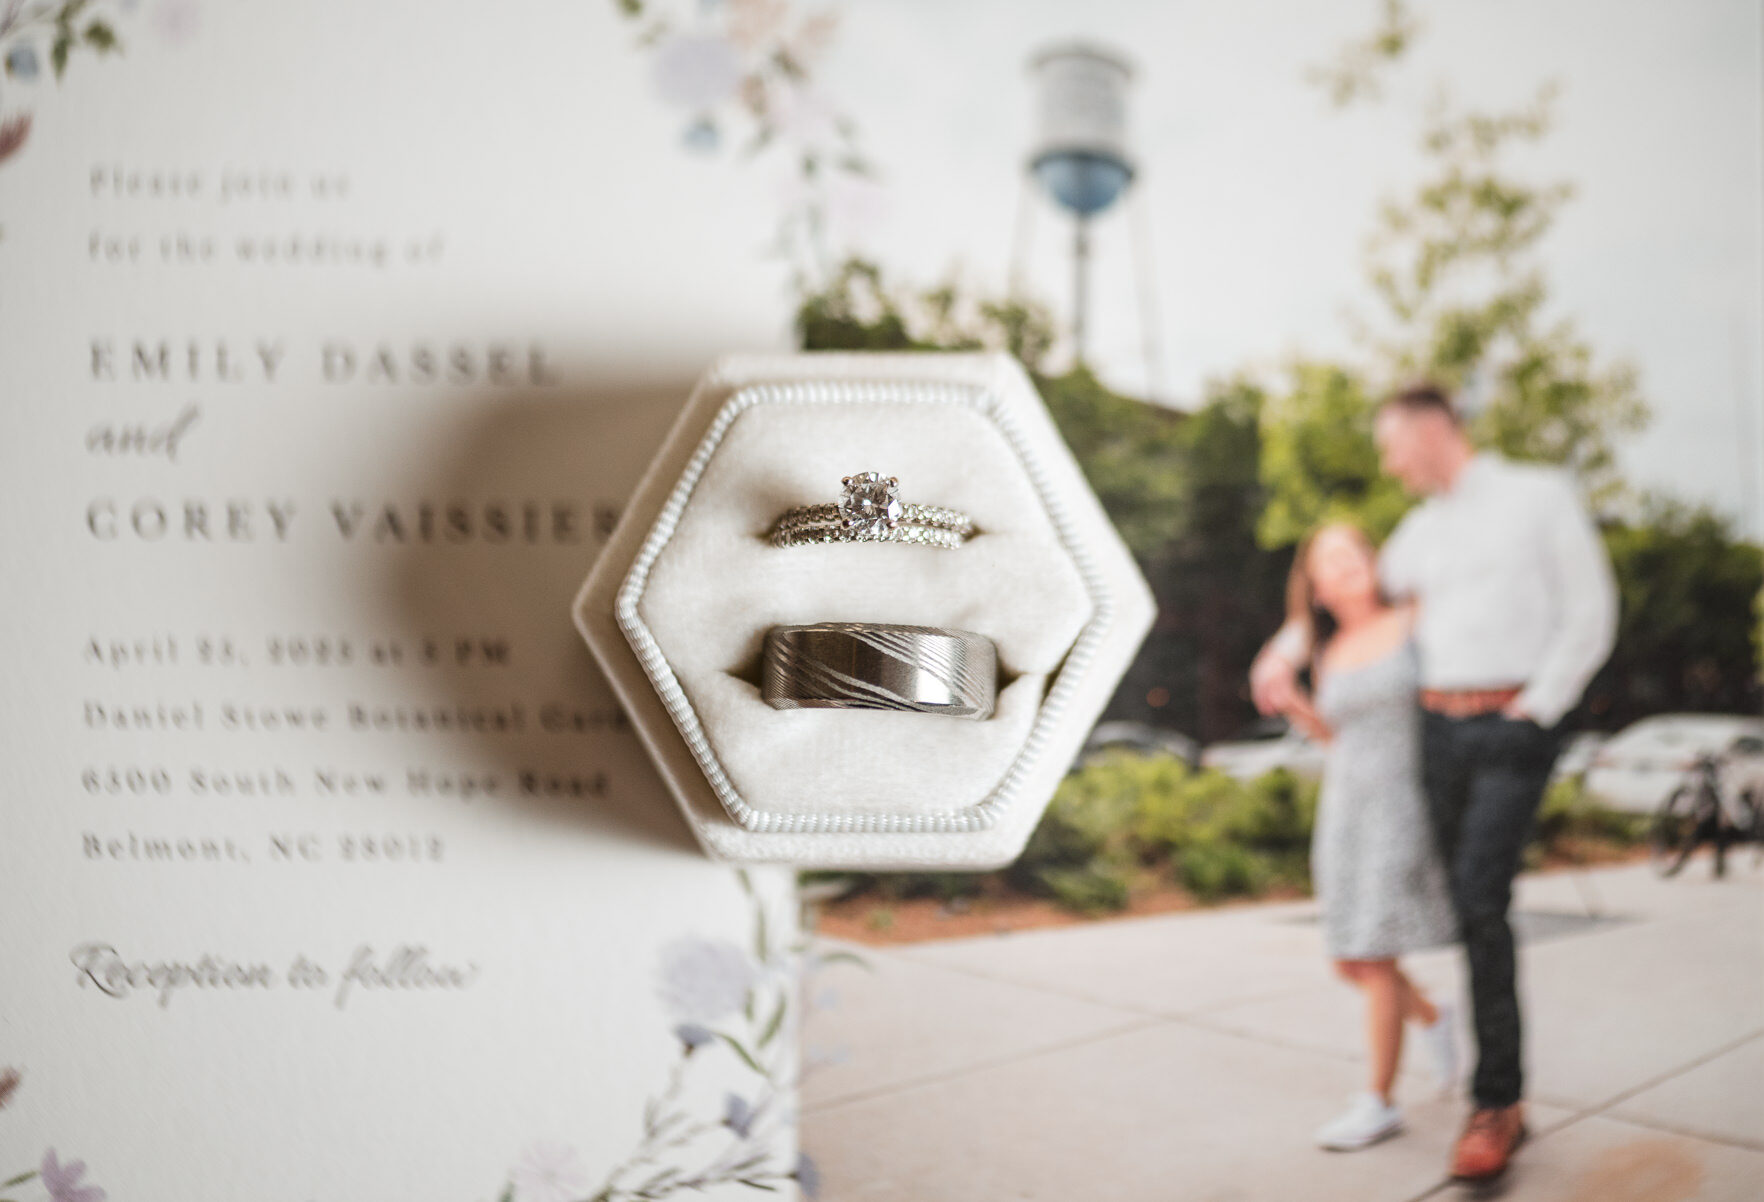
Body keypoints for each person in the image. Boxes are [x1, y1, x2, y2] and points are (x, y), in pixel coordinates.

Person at [1251, 381, 1618, 1182]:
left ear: (1428, 430)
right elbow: (1341, 598)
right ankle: (1435, 1018)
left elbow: (1591, 610)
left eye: (1391, 443)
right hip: (1435, 735)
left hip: (1509, 726)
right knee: (1450, 905)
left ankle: (1497, 1102)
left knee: (1482, 900)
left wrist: (1537, 710)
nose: (1388, 461)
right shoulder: (1416, 532)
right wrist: (1280, 653)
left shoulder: (1537, 497)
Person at [1280, 521, 1462, 1152]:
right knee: (1348, 958)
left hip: (1401, 804)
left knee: (1375, 952)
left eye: (1352, 552)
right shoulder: (1329, 650)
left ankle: (1378, 1101)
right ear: (1318, 587)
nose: (1343, 564)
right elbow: (1338, 735)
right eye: (1327, 560)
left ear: (1374, 562)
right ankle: (1436, 1019)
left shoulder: (1414, 618)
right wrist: (1298, 708)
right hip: (1344, 809)